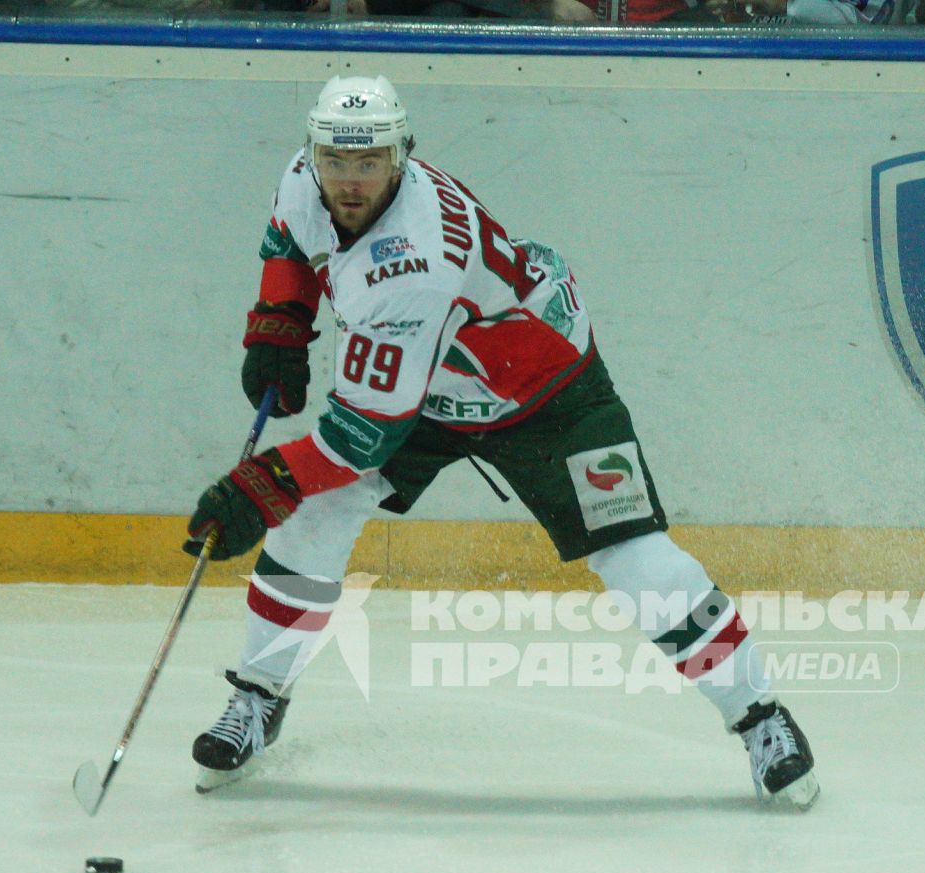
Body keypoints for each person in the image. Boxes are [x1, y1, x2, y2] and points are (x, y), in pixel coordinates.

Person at [182, 76, 818, 809]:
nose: (349, 180)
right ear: (313, 151)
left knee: (635, 558)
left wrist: (257, 488)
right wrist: (280, 319)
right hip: (425, 385)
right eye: (335, 160)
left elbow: (359, 438)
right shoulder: (305, 177)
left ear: (403, 155)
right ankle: (260, 696)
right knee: (317, 515)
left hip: (543, 389)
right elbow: (289, 238)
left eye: (370, 162)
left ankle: (759, 714)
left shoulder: (413, 265)